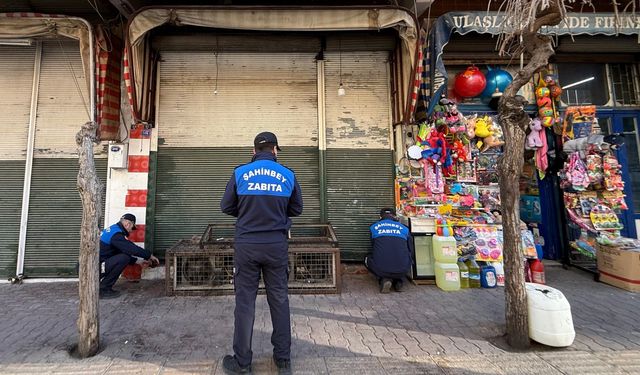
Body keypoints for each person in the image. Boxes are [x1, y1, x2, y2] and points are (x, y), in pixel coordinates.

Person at [220, 131, 303, 374]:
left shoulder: (240, 173)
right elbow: (297, 209)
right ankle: (283, 360)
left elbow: (226, 206)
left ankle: (242, 363)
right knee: (279, 300)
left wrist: (247, 214)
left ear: (254, 151)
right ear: (275, 150)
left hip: (246, 245)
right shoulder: (288, 174)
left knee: (245, 303)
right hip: (276, 245)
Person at [98, 213, 159, 299]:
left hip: (96, 265)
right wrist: (149, 256)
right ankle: (103, 289)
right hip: (94, 269)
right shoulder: (116, 234)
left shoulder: (113, 230)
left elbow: (118, 253)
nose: (131, 231)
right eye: (132, 228)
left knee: (124, 257)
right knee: (124, 258)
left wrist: (138, 262)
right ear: (127, 224)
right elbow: (131, 248)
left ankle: (102, 286)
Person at [365, 208, 413, 293]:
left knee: (367, 258)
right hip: (403, 268)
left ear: (380, 217)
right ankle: (399, 281)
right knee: (405, 256)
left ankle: (384, 279)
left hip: (381, 268)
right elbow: (410, 248)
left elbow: (373, 246)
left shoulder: (373, 227)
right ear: (395, 216)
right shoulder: (405, 228)